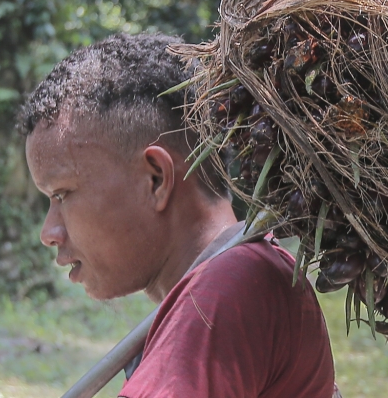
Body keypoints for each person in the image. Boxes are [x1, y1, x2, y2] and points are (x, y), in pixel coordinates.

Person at [20, 33, 336, 398]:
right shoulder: (248, 273)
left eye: (61, 194)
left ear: (156, 179)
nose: (49, 231)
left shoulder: (230, 287)